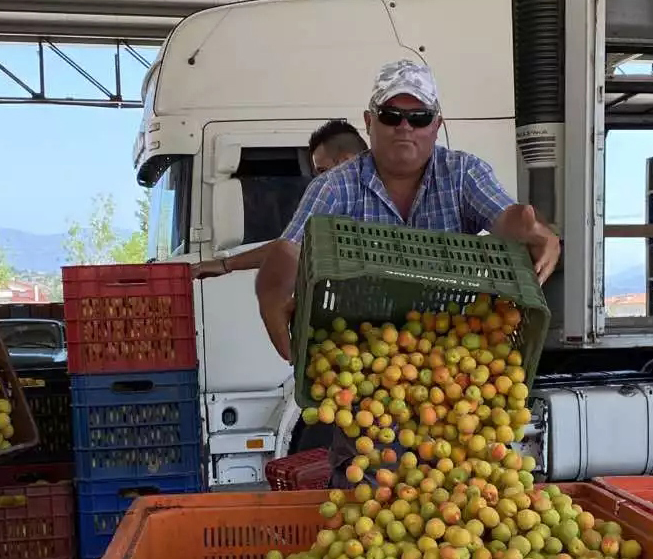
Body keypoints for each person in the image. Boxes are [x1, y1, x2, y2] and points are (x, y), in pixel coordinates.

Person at [255, 59, 562, 362]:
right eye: (391, 115)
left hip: (449, 351)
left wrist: (536, 232)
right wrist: (272, 292)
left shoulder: (462, 174)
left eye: (419, 117)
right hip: (362, 350)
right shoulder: (335, 186)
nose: (404, 127)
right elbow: (291, 250)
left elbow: (505, 217)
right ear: (368, 121)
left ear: (437, 125)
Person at [191, 120, 369, 280]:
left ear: (347, 160)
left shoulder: (331, 187)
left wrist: (225, 265)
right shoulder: (390, 184)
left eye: (323, 171)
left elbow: (290, 247)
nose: (319, 180)